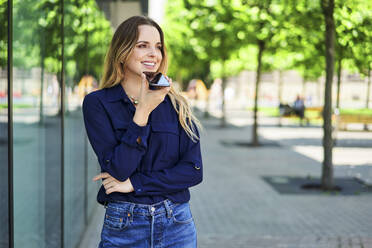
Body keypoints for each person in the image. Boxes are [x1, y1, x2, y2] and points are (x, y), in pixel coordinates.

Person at [82, 16, 203, 248]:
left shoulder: (177, 105)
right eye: (142, 45)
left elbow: (193, 171)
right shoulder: (98, 103)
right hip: (125, 225)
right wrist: (143, 111)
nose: (153, 54)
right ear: (122, 51)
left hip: (176, 223)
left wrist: (135, 184)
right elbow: (118, 169)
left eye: (158, 47)